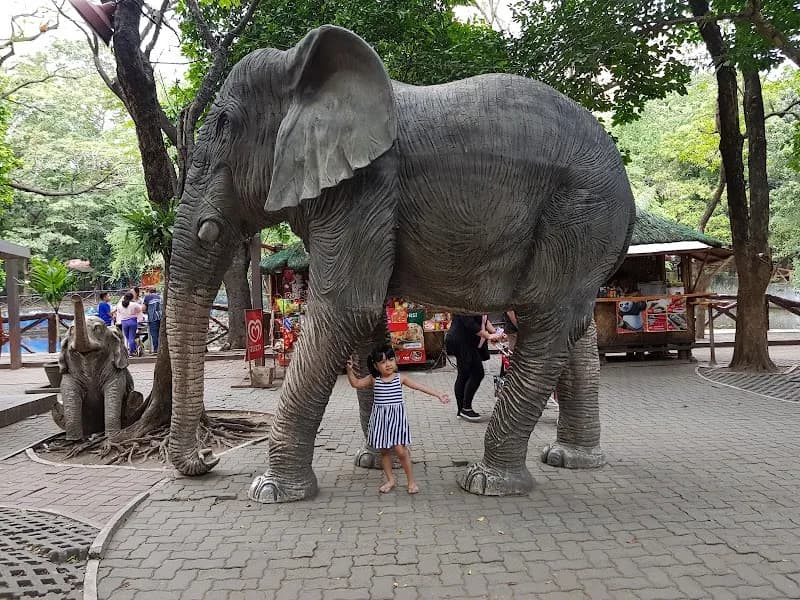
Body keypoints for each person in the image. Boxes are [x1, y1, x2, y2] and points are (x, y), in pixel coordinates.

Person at [346, 346, 449, 494]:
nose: (387, 364)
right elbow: (355, 384)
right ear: (375, 366)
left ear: (396, 360)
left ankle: (411, 481)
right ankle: (390, 480)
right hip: (381, 421)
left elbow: (419, 387)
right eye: (382, 362)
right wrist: (349, 370)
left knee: (401, 451)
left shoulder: (401, 378)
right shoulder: (374, 379)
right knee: (384, 451)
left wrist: (438, 394)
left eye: (390, 359)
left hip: (397, 421)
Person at [446, 314, 504, 421]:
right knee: (477, 373)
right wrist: (488, 336)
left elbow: (484, 320)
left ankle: (462, 410)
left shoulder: (480, 303)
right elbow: (470, 324)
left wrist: (495, 333)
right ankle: (466, 408)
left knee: (464, 374)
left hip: (470, 342)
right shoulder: (466, 303)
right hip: (462, 341)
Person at [116, 292, 143, 357]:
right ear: (132, 298)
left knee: (128, 337)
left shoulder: (119, 305)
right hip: (132, 321)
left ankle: (133, 349)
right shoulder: (134, 304)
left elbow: (118, 312)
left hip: (124, 322)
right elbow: (140, 309)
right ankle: (132, 351)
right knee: (131, 337)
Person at [143, 287, 162, 353]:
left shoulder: (147, 297)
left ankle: (156, 349)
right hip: (161, 317)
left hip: (153, 318)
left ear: (148, 291)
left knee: (154, 334)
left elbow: (143, 309)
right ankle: (161, 349)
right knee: (160, 334)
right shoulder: (160, 297)